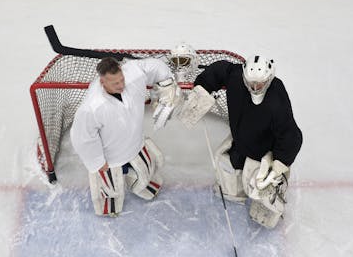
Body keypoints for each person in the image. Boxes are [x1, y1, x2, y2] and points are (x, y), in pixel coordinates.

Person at [180, 55, 303, 228]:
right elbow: (221, 69)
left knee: (261, 193)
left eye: (259, 84)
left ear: (269, 79)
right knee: (230, 189)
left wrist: (278, 165)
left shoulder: (276, 98)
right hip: (240, 143)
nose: (254, 88)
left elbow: (291, 136)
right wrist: (202, 87)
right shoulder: (236, 77)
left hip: (263, 152)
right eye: (250, 83)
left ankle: (272, 190)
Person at [70, 57, 182, 216]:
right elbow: (82, 137)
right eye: (115, 83)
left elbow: (155, 66)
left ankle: (145, 187)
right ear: (103, 82)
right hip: (111, 157)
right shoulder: (92, 107)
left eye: (121, 79)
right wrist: (97, 162)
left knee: (146, 171)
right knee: (109, 188)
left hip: (135, 144)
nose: (122, 85)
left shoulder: (133, 74)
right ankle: (110, 207)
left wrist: (167, 85)